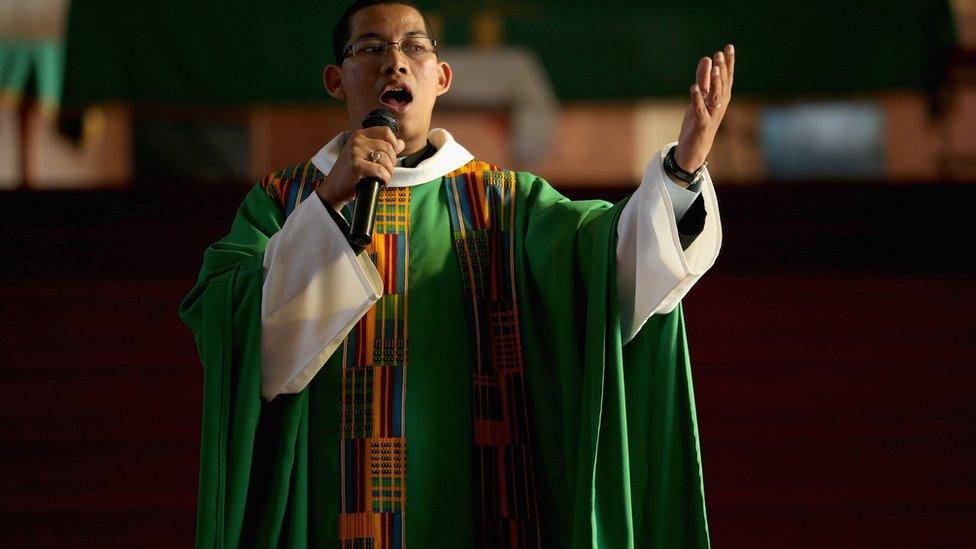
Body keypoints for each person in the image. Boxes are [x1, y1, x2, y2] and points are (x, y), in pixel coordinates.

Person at [180, 0, 734, 546]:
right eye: (371, 48)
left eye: (414, 48)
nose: (395, 62)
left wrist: (681, 174)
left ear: (441, 77)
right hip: (332, 510)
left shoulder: (505, 204)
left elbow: (606, 264)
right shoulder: (285, 200)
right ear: (336, 79)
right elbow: (235, 331)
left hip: (483, 509)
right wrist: (325, 207)